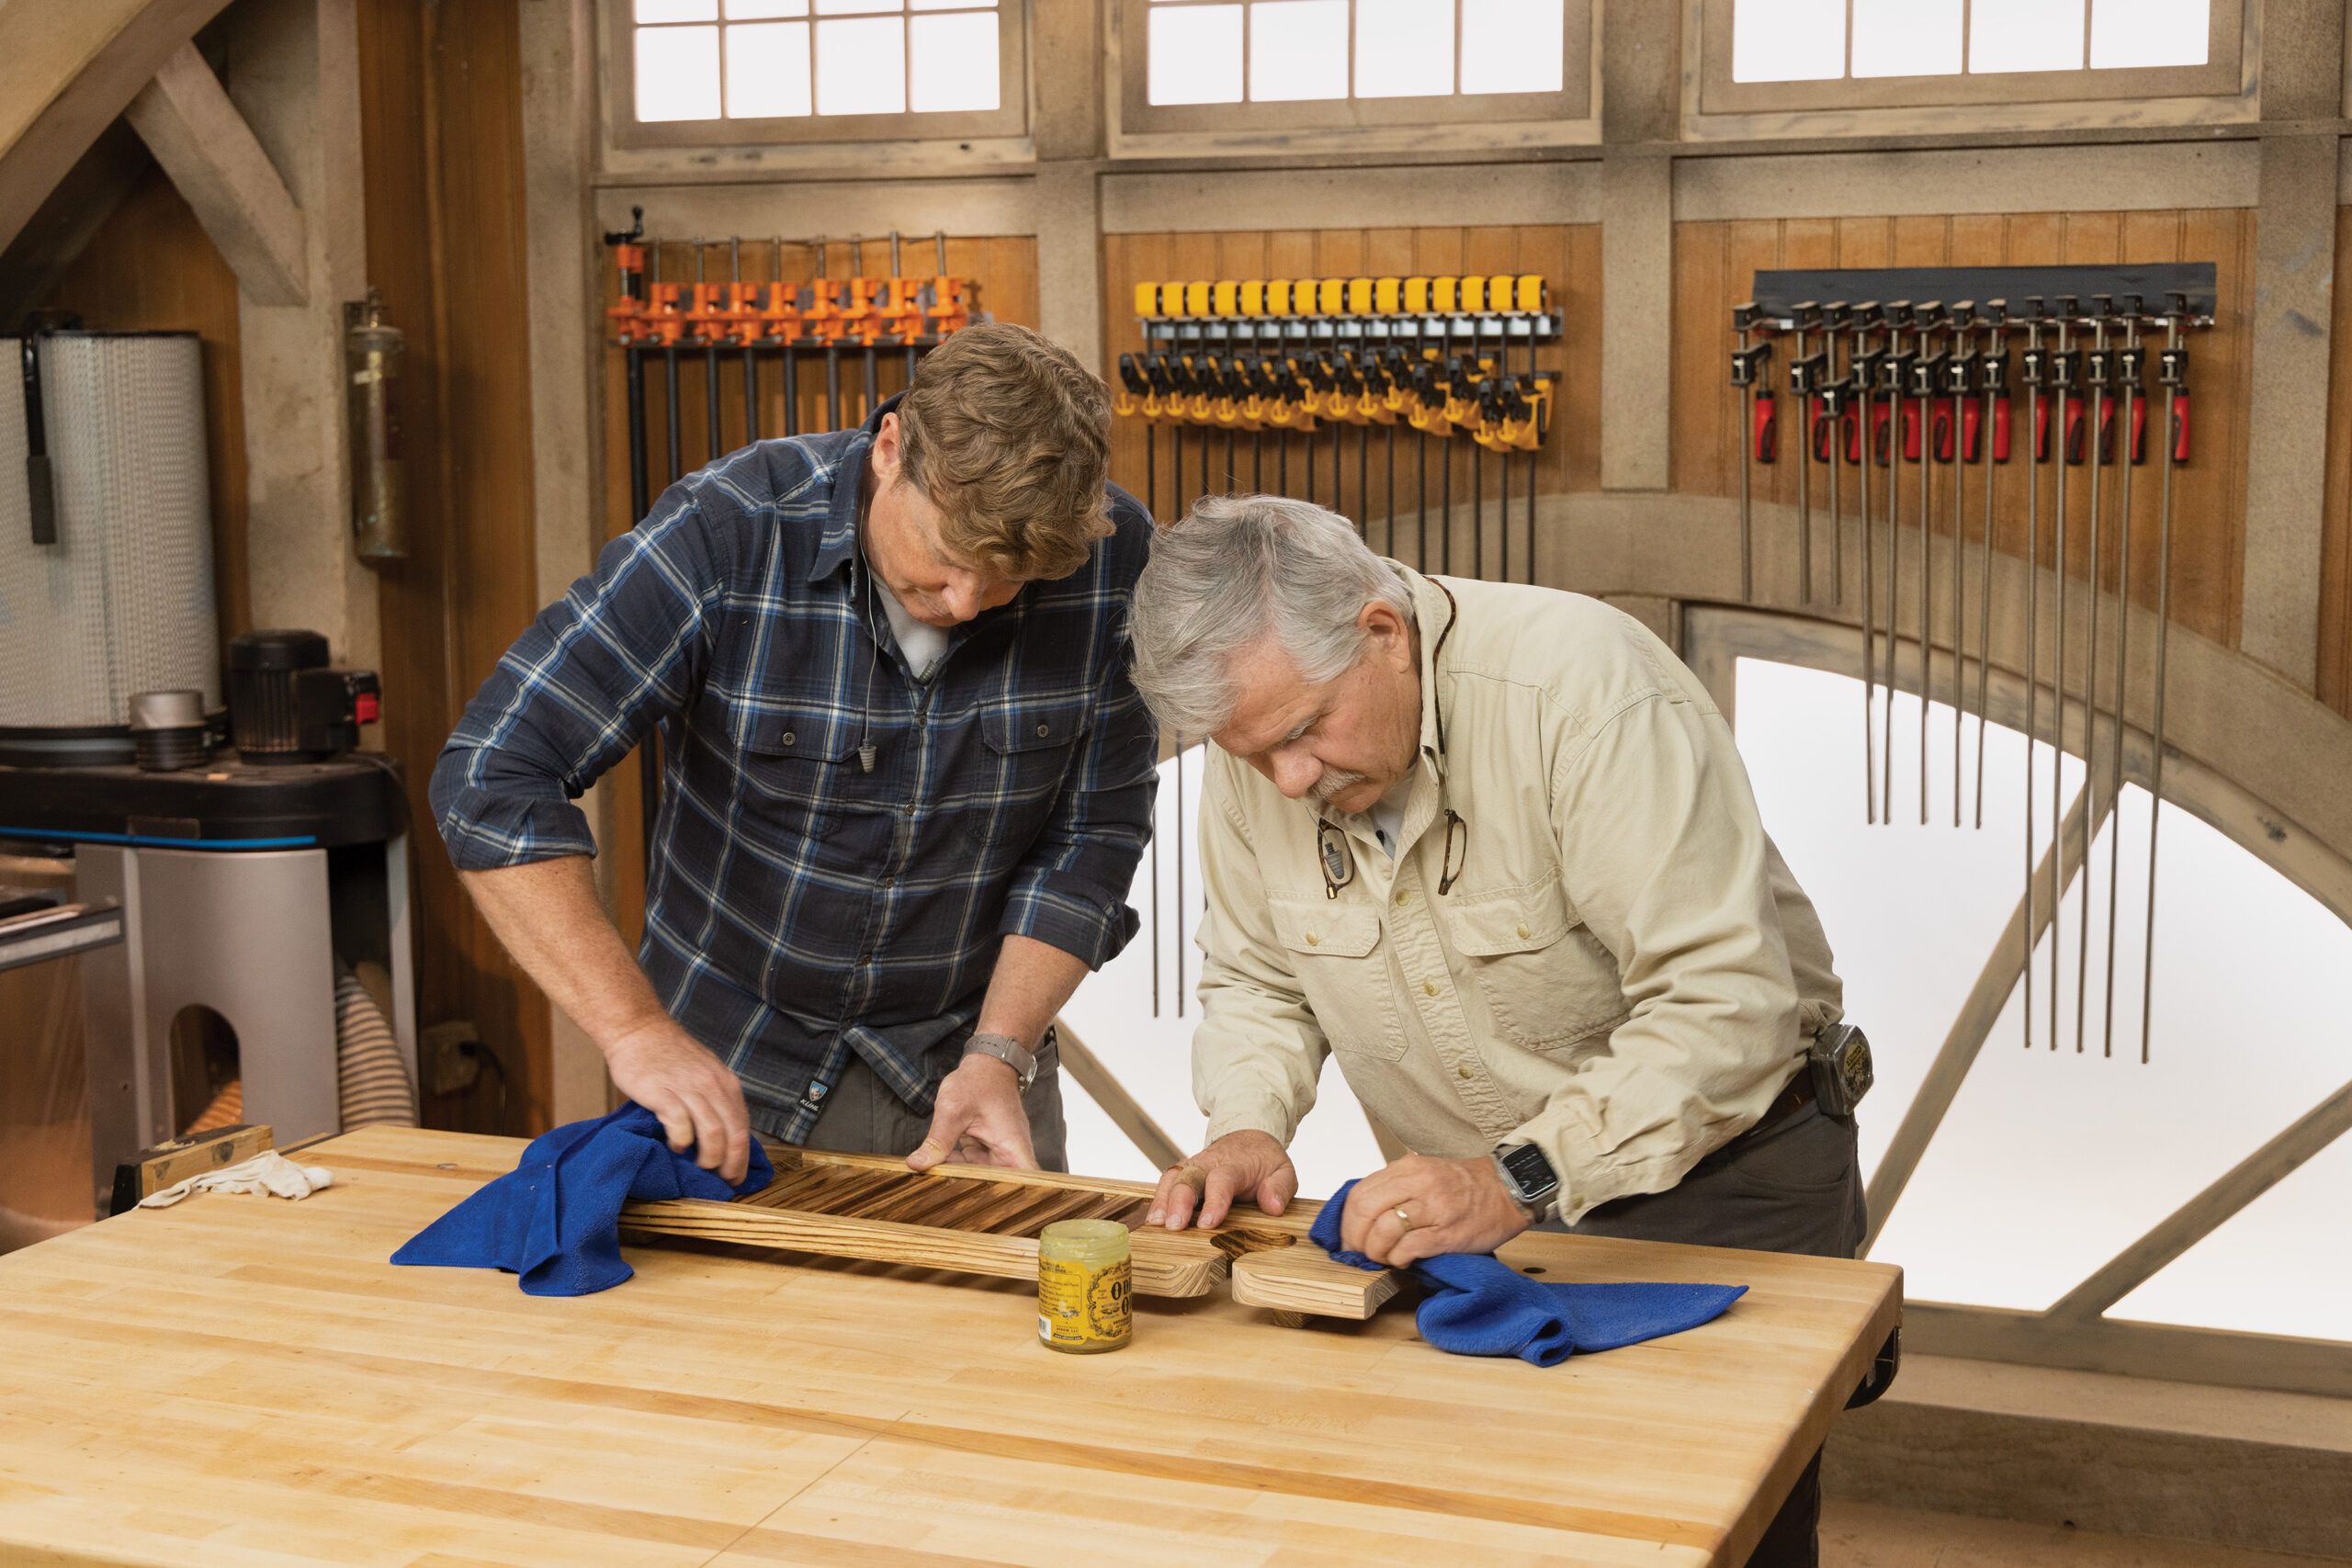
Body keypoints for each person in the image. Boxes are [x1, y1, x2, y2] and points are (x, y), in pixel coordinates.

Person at [1126, 494, 1858, 1567]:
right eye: (1247, 754)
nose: (1286, 781)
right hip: (1481, 1223)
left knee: (1705, 1534)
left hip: (1721, 1173)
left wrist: (1513, 1176)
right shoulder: (1265, 757)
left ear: (1381, 633)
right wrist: (1245, 1124)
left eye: (1299, 734)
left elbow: (1724, 1004)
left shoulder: (1583, 688)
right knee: (1510, 1525)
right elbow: (1258, 977)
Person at [430, 323, 1156, 1186]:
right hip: (721, 1075)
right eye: (948, 558)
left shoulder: (1114, 563)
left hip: (976, 1080)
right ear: (891, 448)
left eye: (1008, 585)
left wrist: (1000, 1051)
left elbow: (1090, 840)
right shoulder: (731, 529)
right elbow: (493, 772)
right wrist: (632, 1030)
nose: (965, 603)